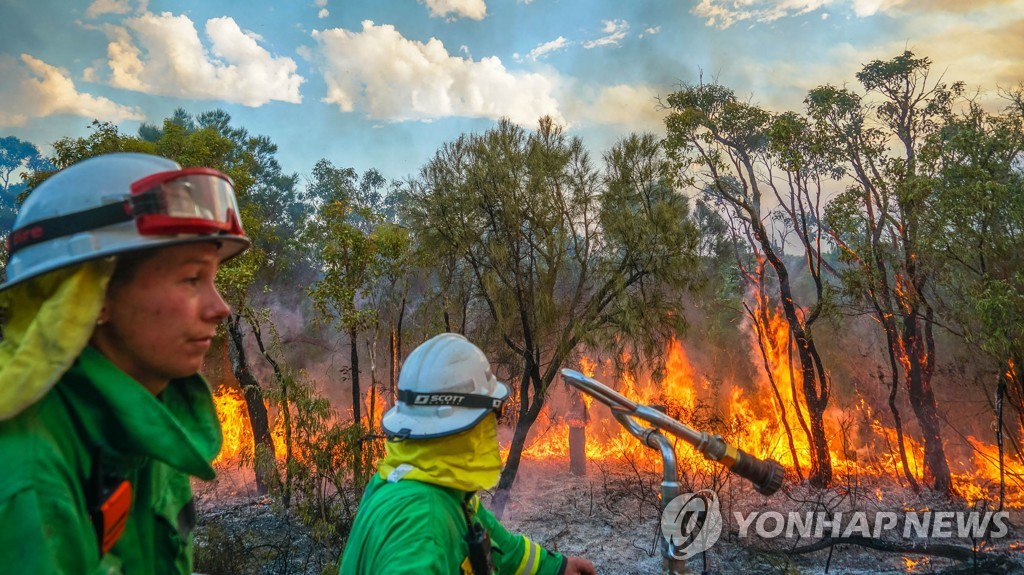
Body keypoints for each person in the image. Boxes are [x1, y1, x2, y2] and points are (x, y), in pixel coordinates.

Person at [0, 152, 249, 574]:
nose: (219, 308)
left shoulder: (147, 427)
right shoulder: (28, 479)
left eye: (213, 279)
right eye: (192, 278)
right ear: (91, 298)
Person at [339, 333, 597, 575]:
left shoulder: (432, 483)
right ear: (468, 422)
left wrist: (557, 568)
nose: (494, 426)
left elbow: (501, 546)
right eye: (493, 415)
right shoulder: (422, 525)